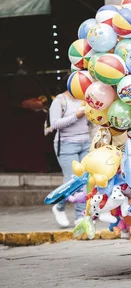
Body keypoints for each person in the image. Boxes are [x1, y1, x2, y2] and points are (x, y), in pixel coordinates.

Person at [48, 84, 92, 227]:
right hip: (67, 145)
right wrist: (76, 116)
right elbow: (54, 124)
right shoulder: (59, 101)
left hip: (86, 142)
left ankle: (80, 215)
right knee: (72, 181)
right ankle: (59, 206)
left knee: (85, 180)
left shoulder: (83, 99)